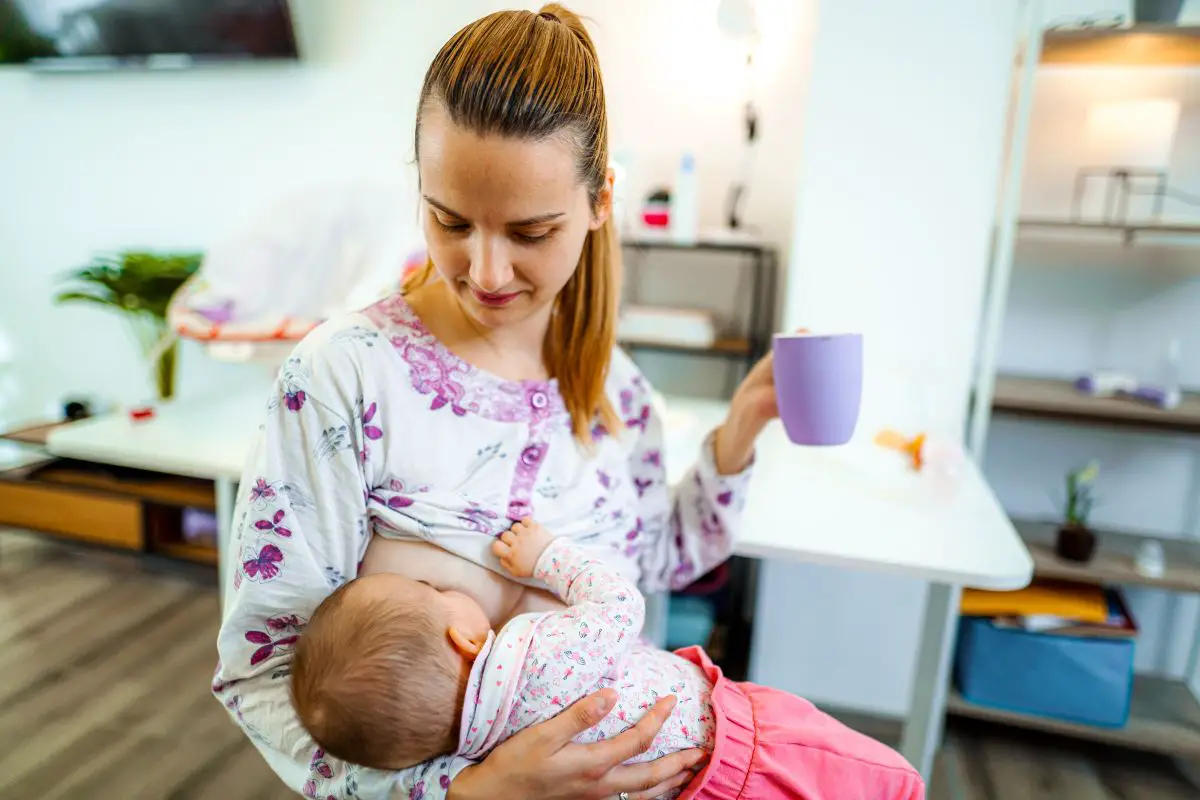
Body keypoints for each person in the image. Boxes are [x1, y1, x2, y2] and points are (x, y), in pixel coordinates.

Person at [212, 5, 781, 798]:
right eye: (450, 220)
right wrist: (473, 793)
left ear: (600, 202)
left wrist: (741, 433)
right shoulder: (345, 379)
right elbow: (266, 677)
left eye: (530, 232)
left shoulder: (615, 391)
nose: (484, 271)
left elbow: (662, 560)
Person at [290, 521, 926, 799]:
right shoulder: (538, 653)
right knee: (890, 781)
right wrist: (547, 558)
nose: (438, 588)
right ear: (463, 639)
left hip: (692, 789)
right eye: (429, 593)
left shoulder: (470, 759)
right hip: (749, 743)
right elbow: (621, 605)